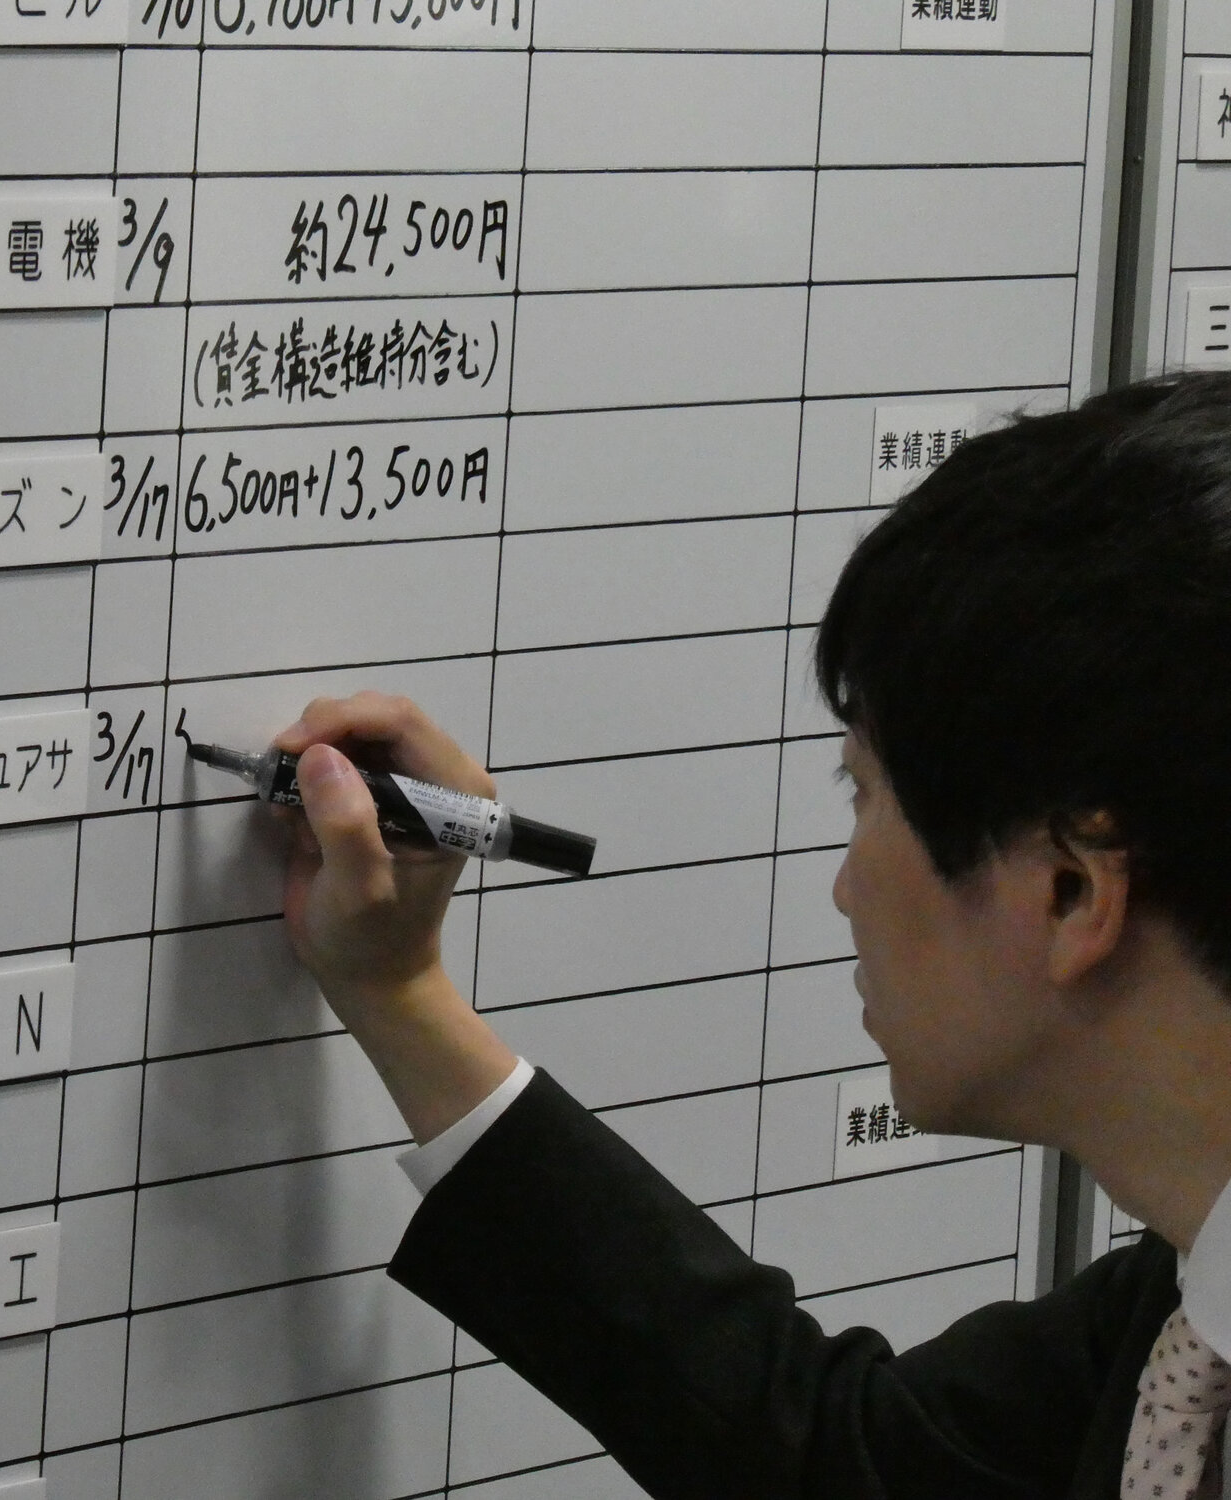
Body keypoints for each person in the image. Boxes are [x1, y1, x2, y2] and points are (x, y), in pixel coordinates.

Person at [268, 372, 1231, 1498]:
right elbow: (842, 1465)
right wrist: (398, 993)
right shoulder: (1184, 1308)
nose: (843, 889)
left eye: (863, 792)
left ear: (1069, 892)